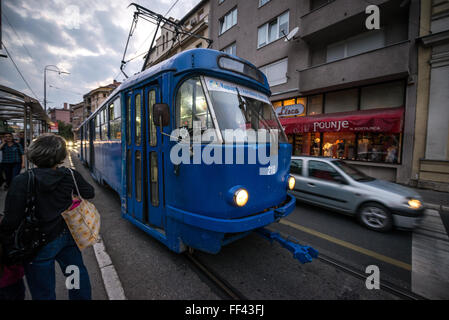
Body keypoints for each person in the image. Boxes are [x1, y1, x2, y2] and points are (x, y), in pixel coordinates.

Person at [0, 133, 95, 300]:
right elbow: (89, 192)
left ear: (34, 154)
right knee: (75, 275)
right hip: (67, 237)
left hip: (37, 243)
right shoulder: (69, 174)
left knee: (43, 290)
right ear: (60, 155)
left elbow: (11, 219)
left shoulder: (22, 180)